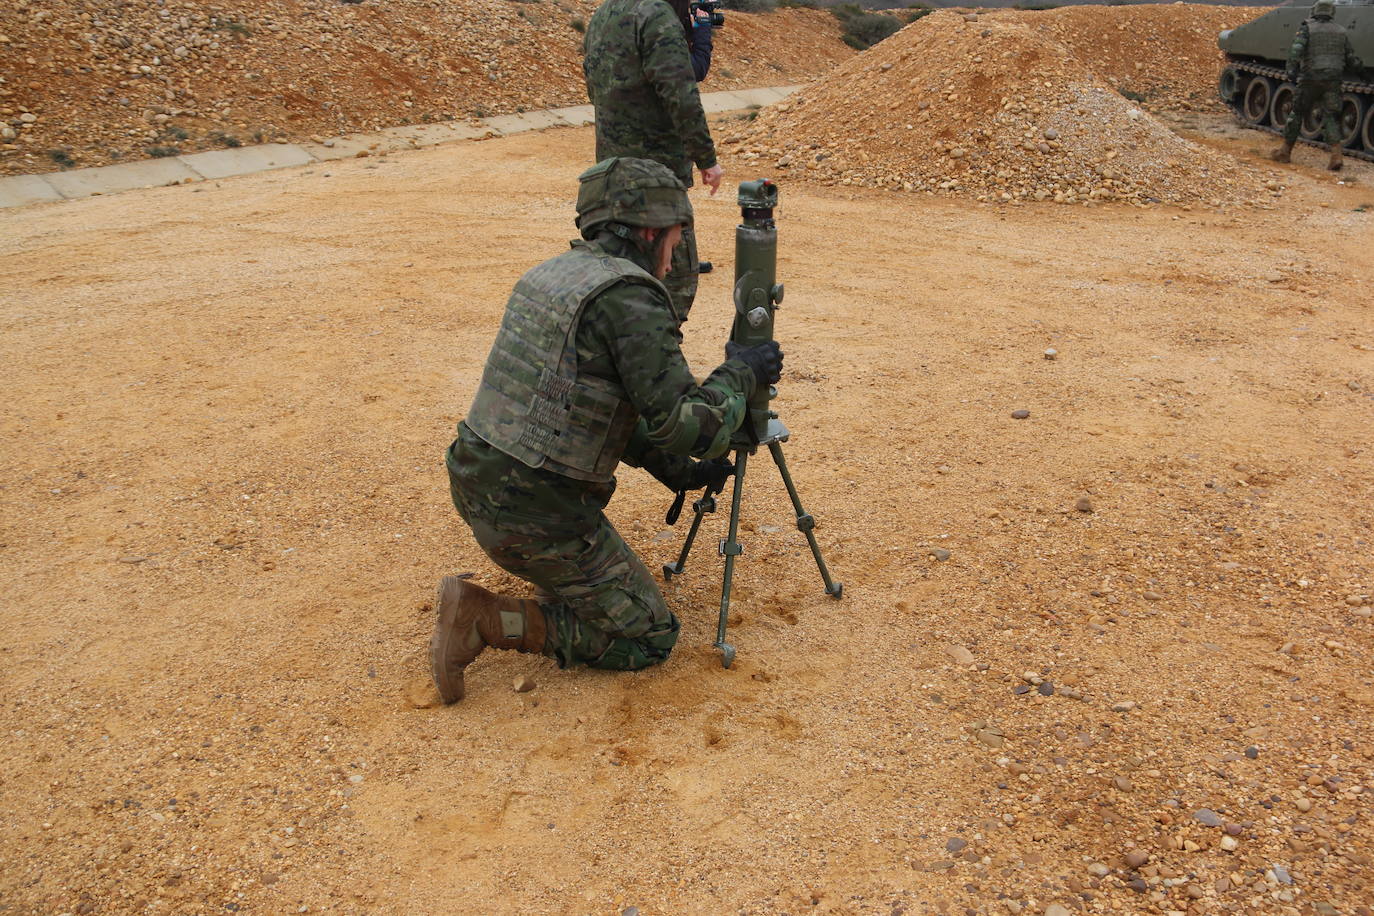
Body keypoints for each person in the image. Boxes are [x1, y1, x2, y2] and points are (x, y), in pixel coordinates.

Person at [431, 158, 783, 703]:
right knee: (649, 636)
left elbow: (598, 408)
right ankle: (486, 620)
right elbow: (688, 428)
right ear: (650, 231)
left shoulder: (555, 274)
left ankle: (556, 578)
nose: (676, 253)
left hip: (479, 482)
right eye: (676, 236)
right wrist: (743, 370)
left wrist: (678, 474)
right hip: (536, 516)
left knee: (595, 586)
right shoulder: (630, 299)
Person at [583, 0, 724, 320]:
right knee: (676, 278)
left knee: (621, 269)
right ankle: (655, 359)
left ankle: (618, 357)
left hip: (611, 169)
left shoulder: (604, 14)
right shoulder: (656, 16)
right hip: (655, 174)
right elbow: (681, 93)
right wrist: (707, 159)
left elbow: (593, 84)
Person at [1271, 0, 1363, 170]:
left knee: (1297, 112)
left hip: (1310, 78)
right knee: (1330, 116)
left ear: (1315, 11)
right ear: (1332, 12)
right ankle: (1336, 156)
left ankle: (1285, 151)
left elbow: (1296, 50)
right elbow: (1350, 58)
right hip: (1333, 80)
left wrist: (1291, 70)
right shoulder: (1340, 31)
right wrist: (1361, 73)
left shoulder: (1307, 27)